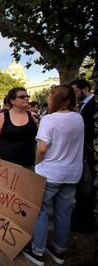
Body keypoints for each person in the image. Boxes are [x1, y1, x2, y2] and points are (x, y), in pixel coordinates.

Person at [23, 84, 84, 266]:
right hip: (72, 173)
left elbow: (42, 147)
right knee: (64, 213)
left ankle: (38, 251)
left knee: (41, 211)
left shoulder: (49, 119)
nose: (48, 99)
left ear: (57, 98)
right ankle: (59, 250)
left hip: (50, 173)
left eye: (50, 96)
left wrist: (36, 162)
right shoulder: (78, 118)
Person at [70, 79, 97, 233]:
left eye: (75, 90)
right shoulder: (81, 106)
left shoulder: (93, 104)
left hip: (89, 152)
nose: (74, 94)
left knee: (88, 188)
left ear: (85, 88)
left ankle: (86, 222)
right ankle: (80, 218)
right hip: (82, 153)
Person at [0, 87, 37, 169]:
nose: (26, 98)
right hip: (7, 164)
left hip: (29, 164)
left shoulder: (33, 116)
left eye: (27, 96)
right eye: (22, 97)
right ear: (12, 101)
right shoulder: (3, 117)